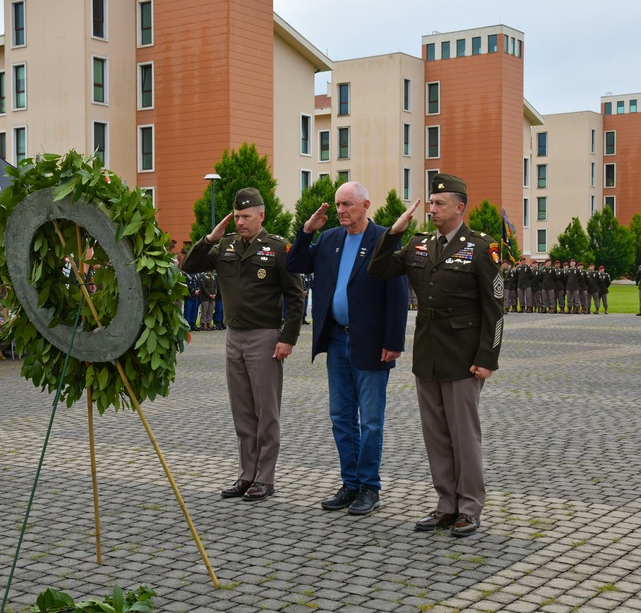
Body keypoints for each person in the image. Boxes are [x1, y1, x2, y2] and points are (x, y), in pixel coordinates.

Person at [368, 173, 503, 538]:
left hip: (463, 355)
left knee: (464, 435)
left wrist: (487, 358)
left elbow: (496, 309)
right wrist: (394, 231)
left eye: (440, 203)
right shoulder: (419, 244)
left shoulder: (480, 247)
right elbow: (377, 269)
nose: (433, 208)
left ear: (460, 207)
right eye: (431, 202)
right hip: (427, 351)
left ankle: (470, 507)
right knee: (436, 435)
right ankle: (446, 504)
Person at [287, 182, 409, 516]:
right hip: (337, 339)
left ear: (366, 204)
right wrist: (306, 231)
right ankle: (350, 483)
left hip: (371, 341)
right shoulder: (329, 239)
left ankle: (370, 486)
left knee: (370, 419)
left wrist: (394, 342)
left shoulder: (384, 238)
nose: (341, 211)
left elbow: (398, 294)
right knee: (341, 416)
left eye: (347, 205)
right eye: (338, 205)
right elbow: (296, 264)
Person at [182, 187, 305, 502]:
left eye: (246, 216)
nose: (240, 221)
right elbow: (190, 266)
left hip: (265, 337)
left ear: (261, 216)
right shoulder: (225, 246)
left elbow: (295, 296)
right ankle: (246, 474)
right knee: (242, 413)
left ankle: (265, 478)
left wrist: (288, 338)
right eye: (236, 216)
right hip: (233, 337)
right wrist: (210, 238)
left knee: (267, 412)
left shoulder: (278, 248)